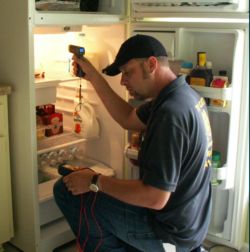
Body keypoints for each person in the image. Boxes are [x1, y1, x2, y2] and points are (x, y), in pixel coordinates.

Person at [53, 34, 212, 252]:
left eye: (128, 72)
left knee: (65, 190)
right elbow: (128, 118)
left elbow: (155, 198)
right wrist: (93, 77)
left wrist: (94, 180)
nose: (122, 80)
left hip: (168, 232)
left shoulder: (170, 113)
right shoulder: (180, 95)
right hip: (188, 226)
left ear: (152, 64)